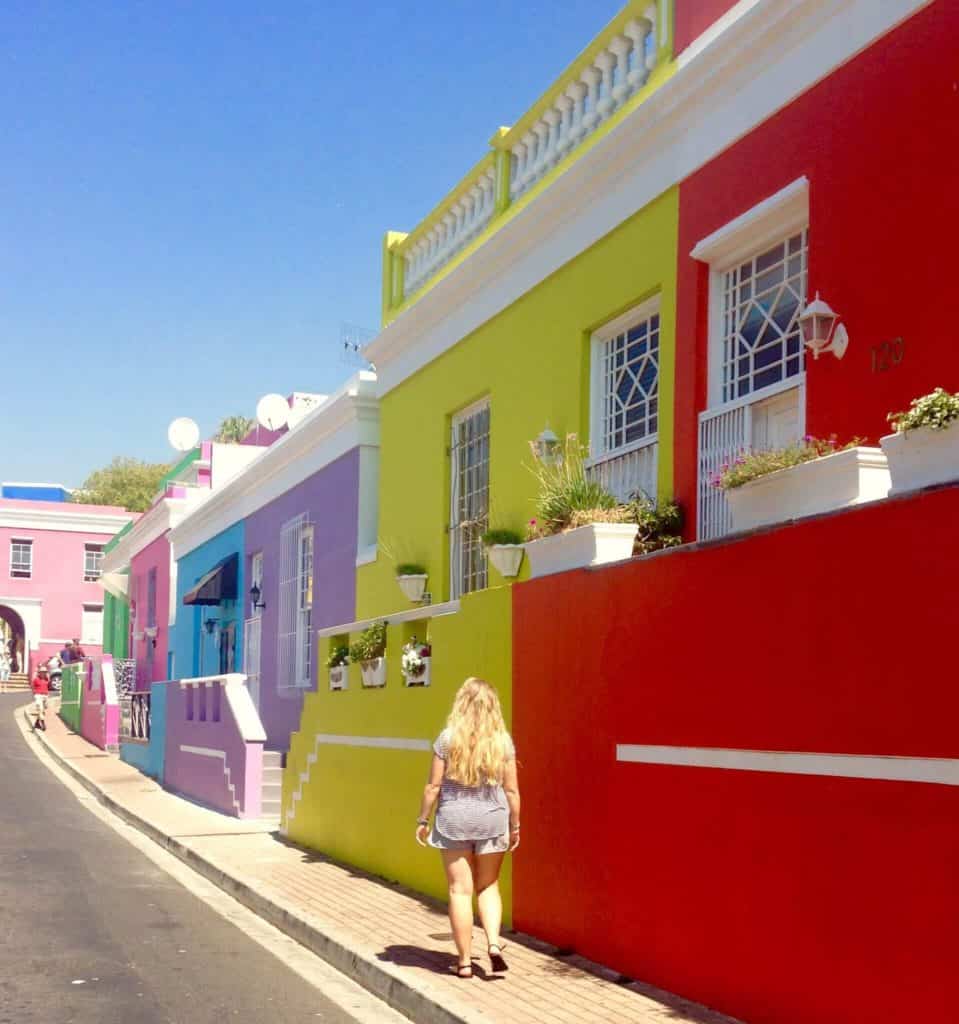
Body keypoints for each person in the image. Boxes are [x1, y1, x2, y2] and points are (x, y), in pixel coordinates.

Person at [415, 677, 521, 979]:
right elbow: (511, 790)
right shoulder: (502, 742)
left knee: (460, 891)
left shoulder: (447, 739)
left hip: (454, 820)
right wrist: (515, 825)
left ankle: (463, 962)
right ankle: (494, 944)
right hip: (493, 820)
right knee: (488, 885)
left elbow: (433, 787)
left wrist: (423, 820)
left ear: (461, 704)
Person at [31, 666, 50, 730]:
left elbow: (48, 686)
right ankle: (43, 724)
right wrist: (35, 693)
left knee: (43, 711)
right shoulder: (36, 679)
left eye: (45, 672)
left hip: (45, 696)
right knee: (40, 709)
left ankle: (37, 723)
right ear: (40, 673)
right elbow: (33, 686)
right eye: (42, 672)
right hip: (38, 695)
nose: (43, 673)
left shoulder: (47, 679)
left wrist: (47, 694)